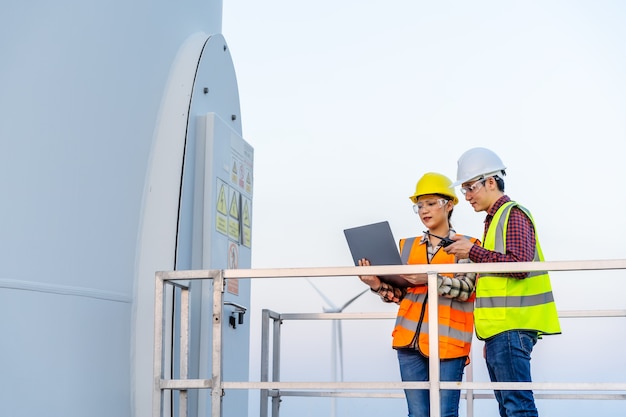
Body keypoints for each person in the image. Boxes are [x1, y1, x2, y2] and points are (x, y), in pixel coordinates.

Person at [444, 147, 561, 417]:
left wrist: (470, 252)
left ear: (491, 181)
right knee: (509, 408)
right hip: (502, 332)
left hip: (512, 329)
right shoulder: (495, 219)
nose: (467, 196)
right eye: (464, 190)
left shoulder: (513, 214)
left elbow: (519, 265)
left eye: (470, 187)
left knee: (517, 407)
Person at [358, 172, 480, 417]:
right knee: (416, 415)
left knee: (446, 414)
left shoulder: (467, 245)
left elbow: (466, 288)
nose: (425, 210)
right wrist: (375, 284)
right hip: (408, 341)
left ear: (449, 205)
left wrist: (430, 279)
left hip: (449, 343)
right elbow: (402, 296)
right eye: (420, 205)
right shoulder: (407, 246)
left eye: (431, 203)